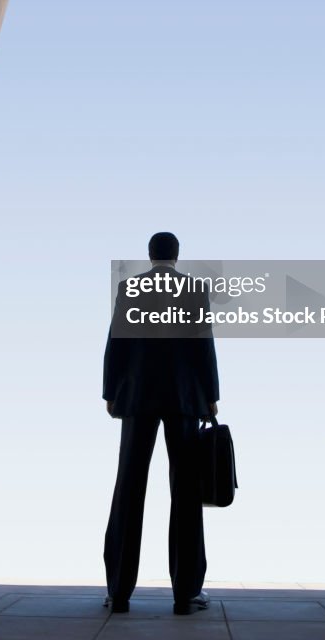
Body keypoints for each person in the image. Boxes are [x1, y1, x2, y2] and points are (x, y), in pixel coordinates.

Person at [102, 231, 220, 615]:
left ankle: (119, 593)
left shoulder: (130, 289)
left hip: (137, 398)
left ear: (149, 255)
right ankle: (185, 594)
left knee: (128, 487)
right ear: (177, 255)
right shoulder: (194, 290)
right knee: (185, 493)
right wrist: (211, 396)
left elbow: (116, 341)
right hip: (184, 400)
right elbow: (204, 344)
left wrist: (110, 392)